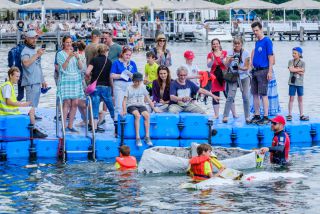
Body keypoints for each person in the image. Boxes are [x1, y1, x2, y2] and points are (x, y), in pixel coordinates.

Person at [0, 67, 47, 138]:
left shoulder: (9, 85)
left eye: (19, 76)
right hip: (8, 111)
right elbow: (8, 102)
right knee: (31, 109)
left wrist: (23, 104)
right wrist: (22, 104)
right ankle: (33, 131)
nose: (18, 78)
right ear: (10, 75)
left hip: (9, 109)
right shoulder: (7, 86)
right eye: (16, 76)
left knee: (31, 108)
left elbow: (12, 101)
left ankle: (31, 129)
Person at [121, 72, 160, 147]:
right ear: (133, 81)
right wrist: (124, 109)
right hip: (131, 105)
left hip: (141, 105)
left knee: (147, 115)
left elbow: (148, 99)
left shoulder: (143, 87)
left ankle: (147, 136)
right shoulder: (129, 88)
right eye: (136, 81)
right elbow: (124, 100)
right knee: (137, 115)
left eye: (139, 81)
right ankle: (137, 137)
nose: (138, 83)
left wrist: (154, 108)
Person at [57, 36, 84, 133]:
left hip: (76, 79)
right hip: (66, 79)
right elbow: (62, 68)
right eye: (67, 42)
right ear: (63, 43)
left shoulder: (75, 53)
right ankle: (64, 126)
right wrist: (69, 57)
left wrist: (78, 58)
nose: (69, 44)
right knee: (67, 103)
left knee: (75, 103)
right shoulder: (60, 54)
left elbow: (81, 68)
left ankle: (70, 125)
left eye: (70, 42)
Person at [85, 44, 115, 133]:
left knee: (95, 107)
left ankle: (94, 128)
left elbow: (87, 72)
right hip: (106, 87)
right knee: (111, 108)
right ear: (106, 51)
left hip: (95, 87)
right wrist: (112, 88)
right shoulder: (109, 62)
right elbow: (110, 77)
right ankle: (117, 126)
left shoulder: (94, 60)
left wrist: (90, 76)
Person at [250, 21, 274, 125]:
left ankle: (265, 116)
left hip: (264, 70)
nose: (255, 32)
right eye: (254, 31)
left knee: (263, 94)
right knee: (254, 93)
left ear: (261, 30)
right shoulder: (257, 42)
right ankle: (257, 114)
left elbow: (270, 56)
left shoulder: (267, 41)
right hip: (255, 70)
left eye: (257, 30)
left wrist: (270, 71)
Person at [111, 46, 138, 136]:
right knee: (118, 106)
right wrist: (121, 75)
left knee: (129, 105)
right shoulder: (116, 63)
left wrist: (132, 76)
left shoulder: (133, 63)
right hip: (119, 84)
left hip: (130, 85)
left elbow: (136, 75)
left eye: (129, 55)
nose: (128, 56)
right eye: (126, 54)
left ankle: (127, 127)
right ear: (122, 54)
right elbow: (112, 75)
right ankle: (116, 129)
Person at [223, 38, 251, 123]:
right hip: (233, 76)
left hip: (244, 76)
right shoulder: (230, 52)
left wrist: (240, 68)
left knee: (245, 96)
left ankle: (247, 117)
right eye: (235, 44)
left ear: (242, 44)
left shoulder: (246, 53)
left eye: (238, 43)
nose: (237, 45)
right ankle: (225, 116)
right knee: (230, 96)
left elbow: (247, 67)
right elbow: (226, 65)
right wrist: (229, 60)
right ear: (233, 44)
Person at [21, 30, 47, 120]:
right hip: (30, 81)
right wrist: (37, 54)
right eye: (32, 38)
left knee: (35, 102)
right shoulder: (25, 51)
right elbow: (26, 63)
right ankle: (30, 120)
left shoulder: (34, 50)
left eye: (35, 38)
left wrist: (42, 80)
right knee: (30, 103)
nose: (34, 40)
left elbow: (38, 66)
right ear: (27, 39)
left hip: (36, 81)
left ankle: (33, 115)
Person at [207, 38, 236, 119]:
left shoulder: (225, 53)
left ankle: (234, 113)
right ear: (212, 45)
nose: (215, 45)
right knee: (215, 94)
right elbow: (208, 65)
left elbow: (227, 65)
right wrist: (212, 60)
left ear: (219, 44)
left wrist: (223, 59)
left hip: (224, 75)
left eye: (217, 43)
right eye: (214, 44)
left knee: (228, 94)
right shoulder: (210, 54)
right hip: (214, 77)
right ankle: (216, 114)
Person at [287, 47, 308, 121]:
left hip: (300, 83)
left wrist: (295, 70)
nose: (293, 54)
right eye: (293, 53)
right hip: (292, 83)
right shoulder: (290, 61)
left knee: (300, 99)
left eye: (295, 53)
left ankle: (301, 114)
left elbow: (303, 72)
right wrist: (300, 69)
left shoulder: (303, 63)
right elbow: (291, 69)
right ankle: (289, 114)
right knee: (291, 98)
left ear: (299, 54)